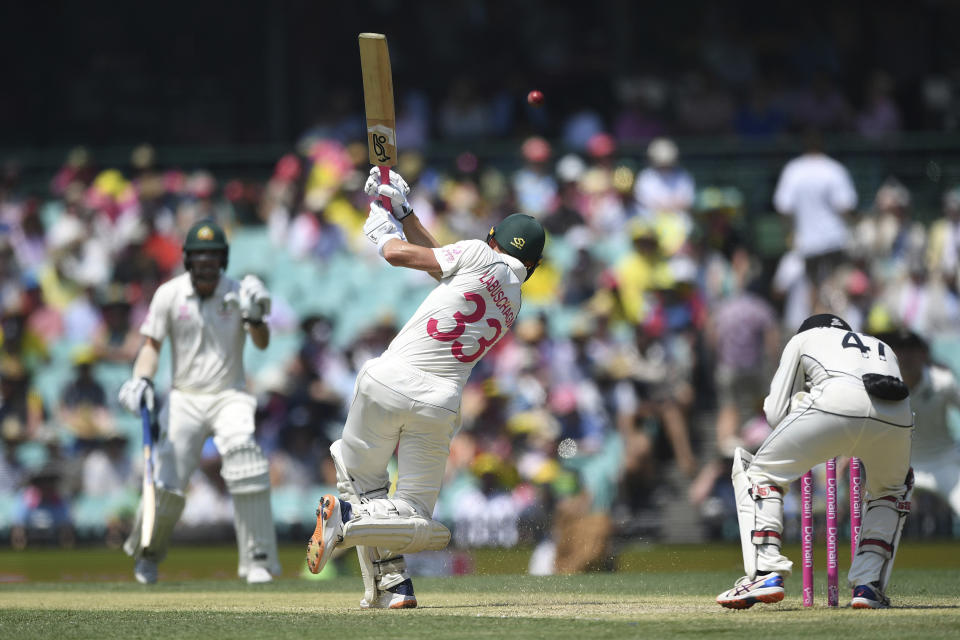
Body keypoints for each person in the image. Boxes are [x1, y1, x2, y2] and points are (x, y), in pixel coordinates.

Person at [306, 168, 545, 609]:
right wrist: (406, 211)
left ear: (492, 239)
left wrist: (382, 228)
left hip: (389, 381)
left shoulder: (476, 252)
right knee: (416, 515)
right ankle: (394, 584)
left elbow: (399, 255)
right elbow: (448, 266)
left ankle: (350, 518)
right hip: (440, 404)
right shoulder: (513, 300)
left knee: (359, 480)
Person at [116, 219, 280, 584]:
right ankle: (147, 555)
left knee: (245, 461)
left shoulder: (238, 292)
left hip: (230, 395)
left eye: (212, 256)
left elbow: (263, 341)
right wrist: (141, 378)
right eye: (199, 256)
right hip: (184, 398)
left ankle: (257, 560)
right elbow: (151, 346)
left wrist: (255, 316)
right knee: (167, 481)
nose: (205, 262)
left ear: (222, 259)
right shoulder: (169, 294)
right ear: (188, 259)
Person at [716, 314, 914, 610]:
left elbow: (774, 412)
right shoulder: (881, 346)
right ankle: (867, 585)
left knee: (759, 473)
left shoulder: (803, 338)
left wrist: (807, 420)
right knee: (890, 493)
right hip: (898, 418)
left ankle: (765, 572)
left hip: (836, 403)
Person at [773, 130, 857, 313]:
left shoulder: (793, 170)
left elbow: (783, 207)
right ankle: (839, 326)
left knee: (813, 289)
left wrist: (790, 231)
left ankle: (816, 328)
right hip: (835, 240)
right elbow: (846, 207)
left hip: (809, 242)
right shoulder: (834, 169)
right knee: (836, 287)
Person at [881, 329, 960, 520]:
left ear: (923, 355)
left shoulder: (943, 382)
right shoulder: (883, 385)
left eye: (911, 350)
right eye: (901, 351)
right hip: (903, 466)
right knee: (881, 518)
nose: (906, 357)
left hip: (944, 462)